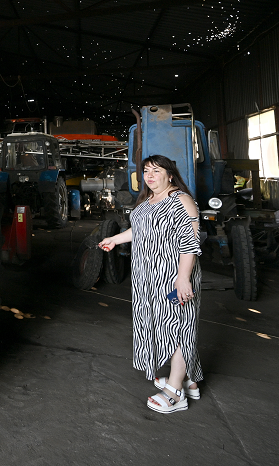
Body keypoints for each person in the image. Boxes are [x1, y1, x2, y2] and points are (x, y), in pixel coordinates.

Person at [99, 154, 203, 414]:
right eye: (146, 171)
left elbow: (190, 243)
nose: (150, 175)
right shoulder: (148, 201)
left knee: (179, 328)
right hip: (147, 279)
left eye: (157, 171)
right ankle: (188, 379)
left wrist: (183, 278)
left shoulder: (181, 200)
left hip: (172, 275)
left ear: (170, 174)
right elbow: (140, 230)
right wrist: (115, 239)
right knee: (162, 325)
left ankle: (176, 392)